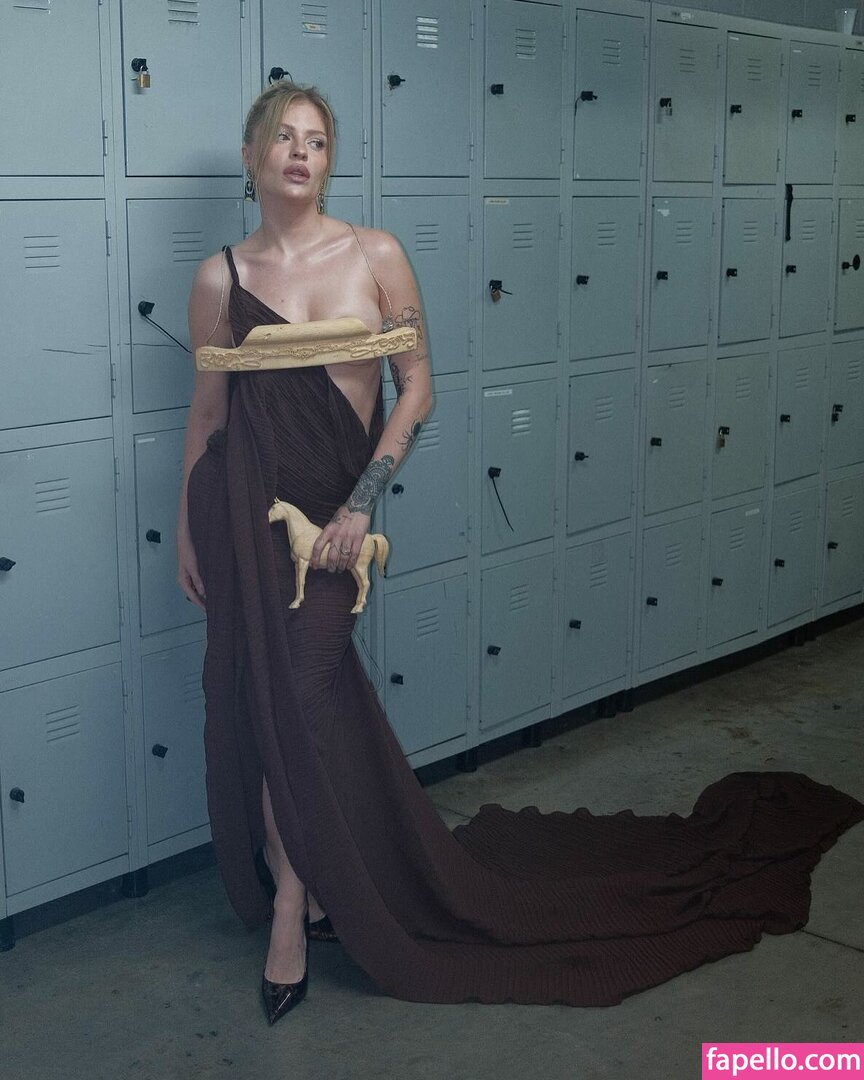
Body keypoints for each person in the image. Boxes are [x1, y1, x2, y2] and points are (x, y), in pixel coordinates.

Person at [178, 81, 863, 1026]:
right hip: (245, 524)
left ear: (332, 161)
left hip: (336, 529)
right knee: (272, 713)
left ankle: (291, 910)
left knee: (293, 704)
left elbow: (416, 387)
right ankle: (315, 886)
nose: (302, 153)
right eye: (285, 138)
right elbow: (207, 417)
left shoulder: (375, 256)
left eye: (319, 141)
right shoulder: (219, 278)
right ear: (254, 156)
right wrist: (188, 531)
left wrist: (360, 505)